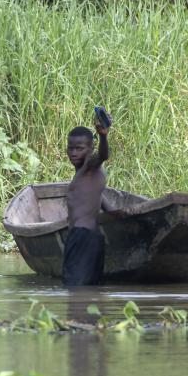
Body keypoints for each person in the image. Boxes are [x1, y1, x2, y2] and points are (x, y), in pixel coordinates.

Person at [62, 112, 111, 285]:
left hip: (81, 237)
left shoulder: (90, 167)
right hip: (93, 239)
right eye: (71, 148)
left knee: (74, 287)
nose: (74, 153)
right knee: (90, 288)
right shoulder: (85, 175)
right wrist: (118, 213)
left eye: (79, 148)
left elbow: (103, 156)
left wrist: (103, 136)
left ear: (90, 149)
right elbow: (103, 203)